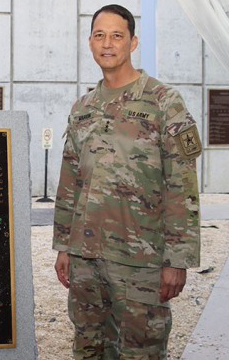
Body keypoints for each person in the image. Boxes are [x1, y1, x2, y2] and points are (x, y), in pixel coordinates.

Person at [53, 4, 201, 359]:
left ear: (133, 42)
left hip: (141, 262)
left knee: (141, 352)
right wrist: (63, 245)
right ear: (89, 42)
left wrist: (177, 260)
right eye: (99, 35)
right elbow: (71, 179)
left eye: (117, 35)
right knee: (88, 348)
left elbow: (182, 185)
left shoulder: (164, 102)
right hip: (86, 259)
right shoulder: (82, 108)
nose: (108, 43)